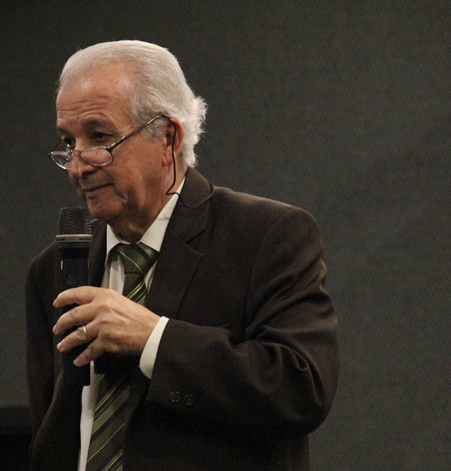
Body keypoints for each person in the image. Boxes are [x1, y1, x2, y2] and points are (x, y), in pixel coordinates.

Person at [25, 40, 339, 471]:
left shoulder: (266, 236)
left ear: (168, 138)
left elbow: (301, 388)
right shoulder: (52, 269)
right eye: (68, 142)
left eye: (99, 137)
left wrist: (154, 338)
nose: (78, 166)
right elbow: (52, 425)